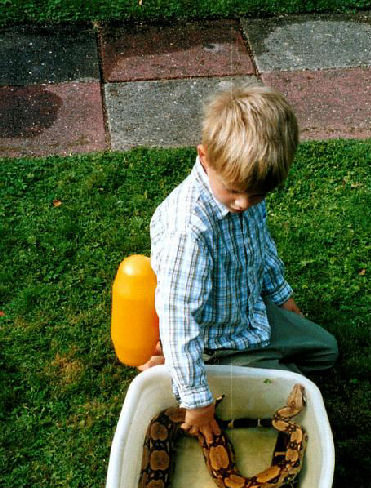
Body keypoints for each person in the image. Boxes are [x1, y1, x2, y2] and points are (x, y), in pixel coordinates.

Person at [139, 83, 338, 440]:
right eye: (234, 190)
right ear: (204, 157)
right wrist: (198, 403)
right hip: (214, 341)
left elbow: (261, 248)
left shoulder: (242, 191)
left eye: (258, 194)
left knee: (326, 352)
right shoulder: (189, 231)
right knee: (298, 386)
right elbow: (180, 318)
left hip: (247, 315)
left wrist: (281, 297)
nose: (244, 204)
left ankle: (194, 369)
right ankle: (186, 373)